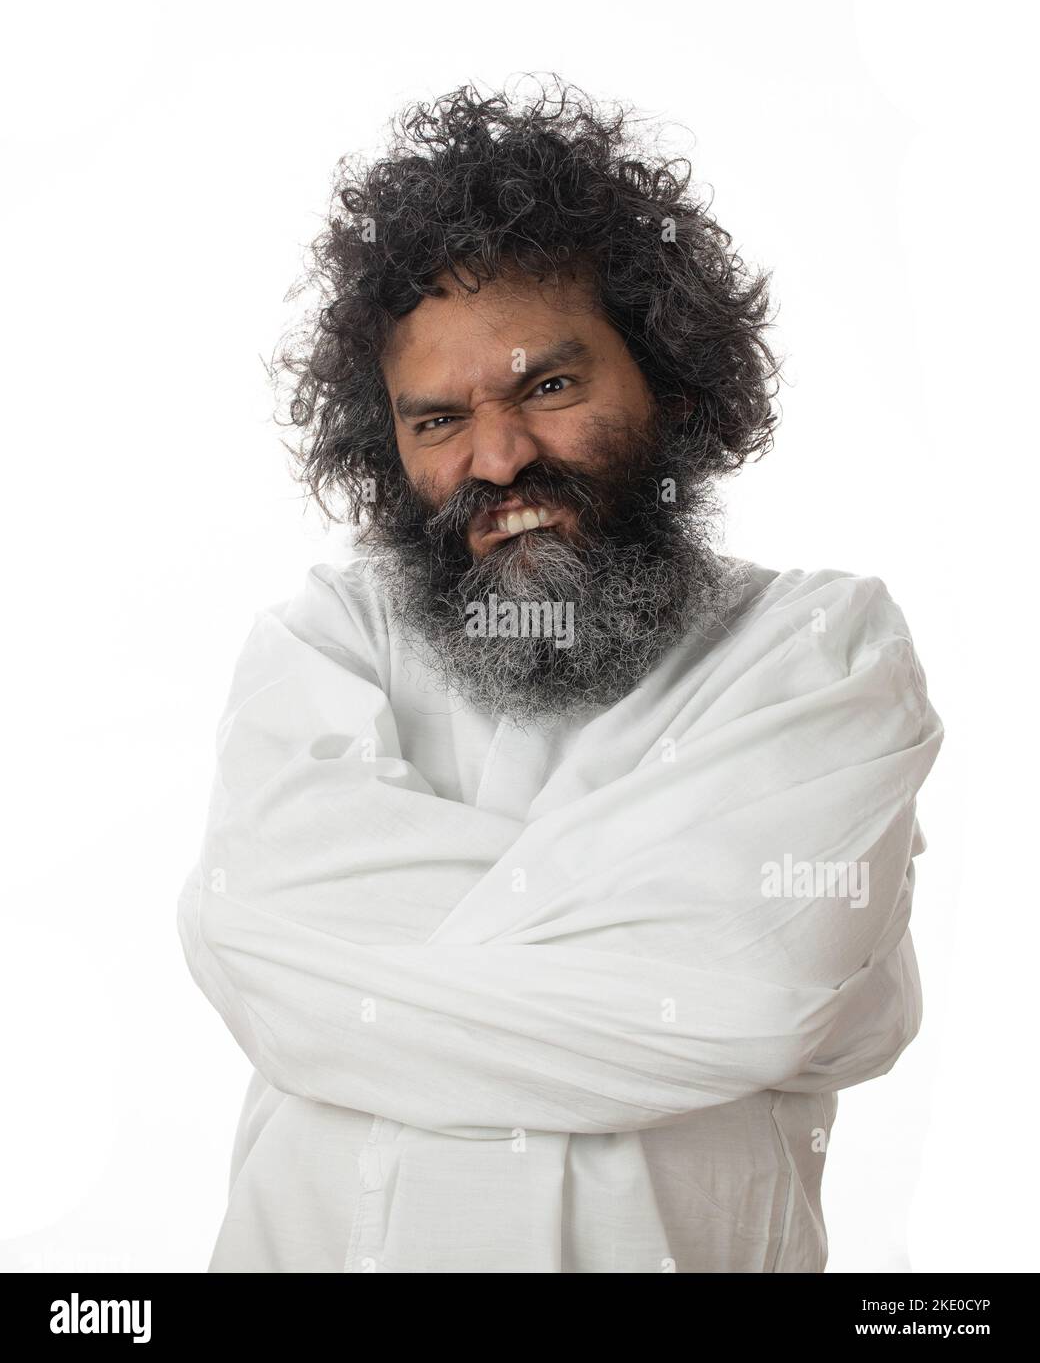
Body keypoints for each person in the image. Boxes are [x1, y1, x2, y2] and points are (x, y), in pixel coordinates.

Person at [177, 76, 943, 1273]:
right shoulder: (332, 639)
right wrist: (649, 938)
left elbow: (752, 995)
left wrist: (371, 992)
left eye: (546, 385)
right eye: (435, 421)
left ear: (671, 384)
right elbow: (252, 938)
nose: (497, 457)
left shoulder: (815, 648)